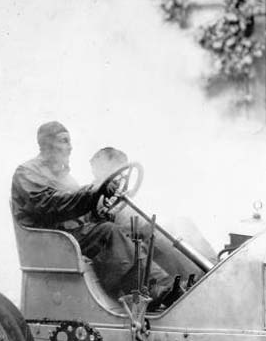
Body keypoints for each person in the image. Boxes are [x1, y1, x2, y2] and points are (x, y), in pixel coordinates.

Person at [11, 122, 181, 307]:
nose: (70, 147)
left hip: (73, 237)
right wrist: (94, 192)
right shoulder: (27, 172)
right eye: (64, 141)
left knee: (144, 231)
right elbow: (49, 205)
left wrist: (101, 210)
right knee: (108, 232)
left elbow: (78, 210)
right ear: (46, 144)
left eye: (70, 141)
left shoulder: (66, 178)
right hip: (53, 242)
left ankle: (184, 283)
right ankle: (154, 290)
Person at [88, 146, 211, 282]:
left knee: (182, 224)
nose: (121, 177)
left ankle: (211, 265)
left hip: (141, 230)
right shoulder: (94, 192)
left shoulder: (121, 190)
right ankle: (198, 279)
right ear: (101, 168)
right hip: (123, 239)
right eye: (115, 168)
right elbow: (105, 222)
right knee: (163, 237)